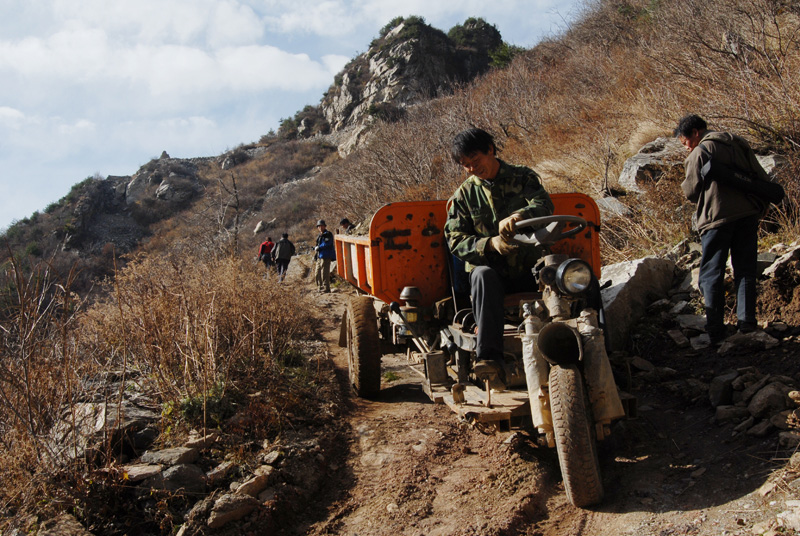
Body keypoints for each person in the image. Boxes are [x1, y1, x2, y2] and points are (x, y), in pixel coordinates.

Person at [444, 128, 554, 375]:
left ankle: (589, 343)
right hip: (493, 276)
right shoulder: (463, 196)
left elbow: (543, 204)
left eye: (476, 161)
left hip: (530, 268)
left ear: (490, 150)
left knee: (571, 273)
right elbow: (455, 240)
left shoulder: (523, 177)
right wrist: (490, 244)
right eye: (466, 165)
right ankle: (489, 360)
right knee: (482, 275)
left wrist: (520, 215)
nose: (472, 169)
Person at [675, 114, 767, 343]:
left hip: (717, 219)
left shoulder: (701, 151)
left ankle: (715, 330)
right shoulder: (738, 143)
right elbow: (760, 175)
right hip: (747, 214)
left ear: (695, 133)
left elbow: (691, 192)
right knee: (745, 270)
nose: (686, 148)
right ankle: (747, 324)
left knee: (711, 274)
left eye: (685, 142)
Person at [313, 220, 336, 292]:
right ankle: (320, 287)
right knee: (317, 273)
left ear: (325, 226)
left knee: (325, 272)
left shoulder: (328, 234)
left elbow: (327, 244)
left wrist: (319, 247)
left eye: (321, 226)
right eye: (318, 226)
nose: (320, 227)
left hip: (326, 255)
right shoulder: (319, 236)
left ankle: (326, 288)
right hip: (319, 256)